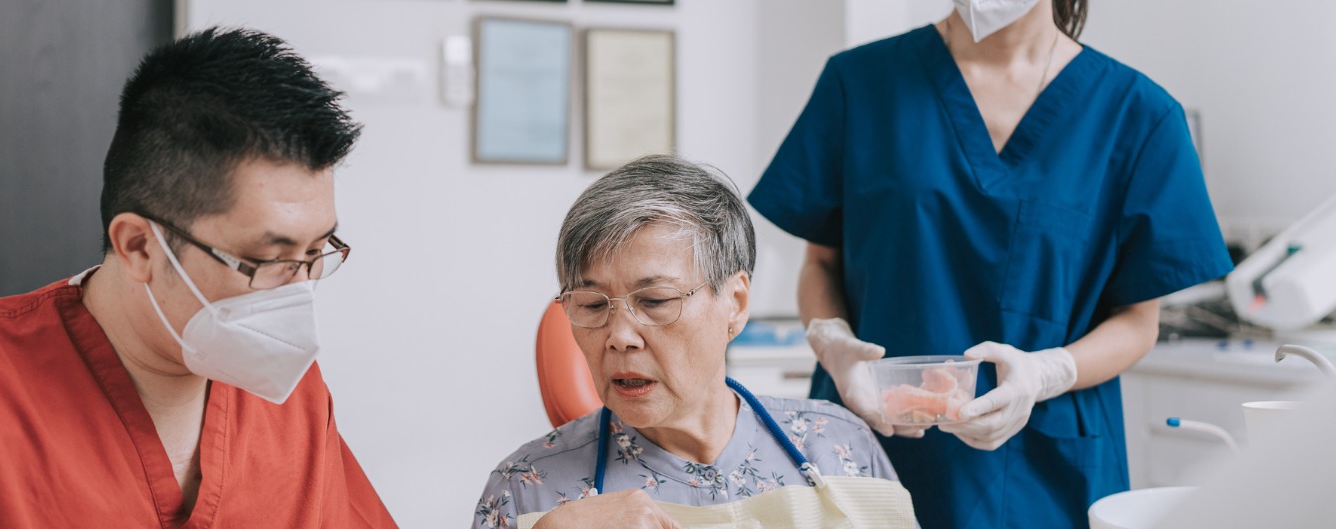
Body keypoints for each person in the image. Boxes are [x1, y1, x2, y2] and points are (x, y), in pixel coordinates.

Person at [0, 28, 397, 528]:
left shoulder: (287, 388)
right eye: (269, 260)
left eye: (317, 252)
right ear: (138, 245)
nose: (297, 292)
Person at [747, 0, 1233, 527]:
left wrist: (1046, 374)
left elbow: (1139, 322)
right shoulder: (860, 83)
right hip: (870, 453)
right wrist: (833, 341)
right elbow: (820, 264)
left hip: (1045, 474)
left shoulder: (1138, 115)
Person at [472, 155, 906, 529]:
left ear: (734, 303)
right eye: (591, 305)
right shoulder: (528, 488)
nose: (620, 337)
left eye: (656, 300)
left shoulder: (839, 445)